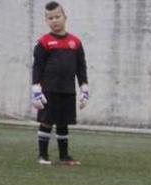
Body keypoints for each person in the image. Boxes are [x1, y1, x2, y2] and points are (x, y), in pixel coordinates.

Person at [31, 1, 88, 166]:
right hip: (49, 90)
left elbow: (81, 67)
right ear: (46, 21)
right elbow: (38, 67)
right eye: (50, 18)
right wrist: (36, 88)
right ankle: (43, 155)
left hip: (68, 90)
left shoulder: (75, 42)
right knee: (47, 122)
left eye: (57, 16)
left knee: (63, 123)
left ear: (65, 17)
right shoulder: (44, 42)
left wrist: (84, 87)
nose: (54, 20)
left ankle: (64, 156)